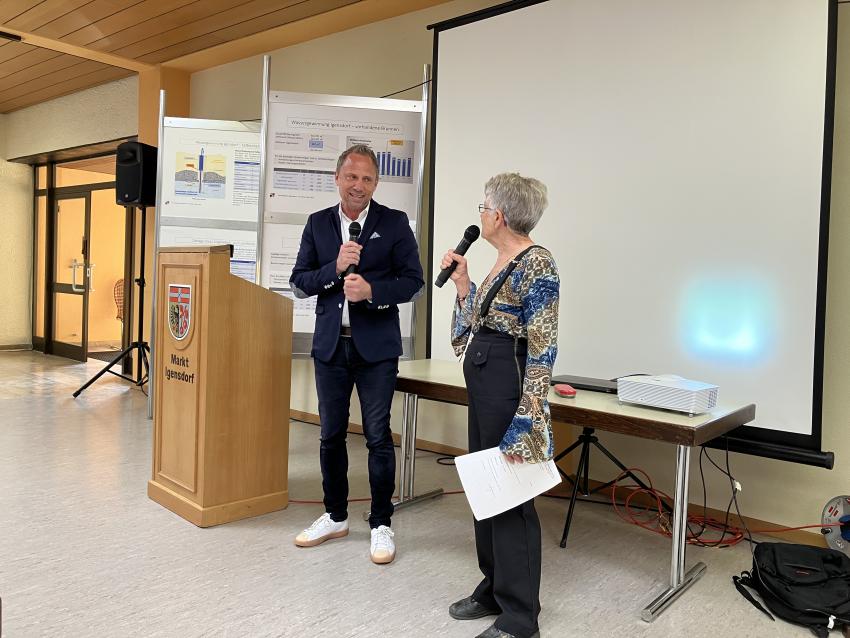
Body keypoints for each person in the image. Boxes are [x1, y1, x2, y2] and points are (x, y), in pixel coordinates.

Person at [289, 144, 424, 564]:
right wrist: (334, 267)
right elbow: (298, 282)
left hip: (376, 350)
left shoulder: (395, 223)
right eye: (351, 177)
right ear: (337, 178)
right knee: (330, 434)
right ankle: (335, 515)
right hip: (330, 346)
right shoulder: (318, 224)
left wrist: (372, 292)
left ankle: (381, 522)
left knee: (378, 436)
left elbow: (413, 281)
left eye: (367, 178)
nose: (358, 185)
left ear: (376, 183)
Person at [441, 173, 559, 638]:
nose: (480, 214)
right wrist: (464, 285)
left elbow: (543, 347)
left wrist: (527, 419)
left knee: (511, 499)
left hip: (509, 390)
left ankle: (520, 614)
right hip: (485, 384)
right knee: (485, 490)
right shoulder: (498, 260)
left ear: (499, 215)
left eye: (483, 206)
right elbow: (474, 328)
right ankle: (493, 587)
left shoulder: (538, 264)